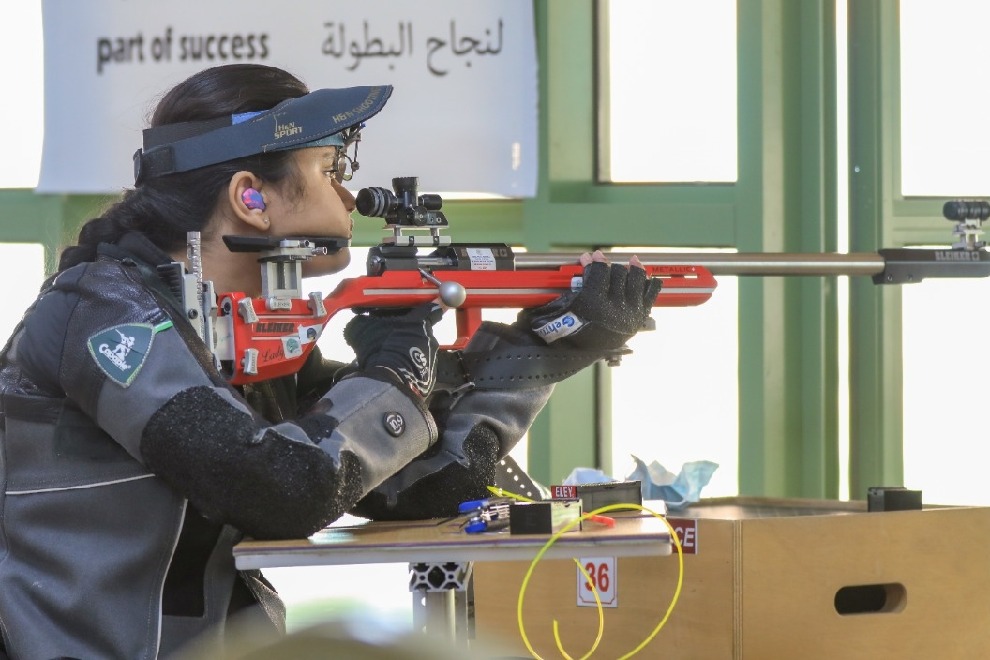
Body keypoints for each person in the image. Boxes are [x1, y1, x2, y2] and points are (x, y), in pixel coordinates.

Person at [0, 63, 660, 658]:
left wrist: (547, 346)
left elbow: (425, 484)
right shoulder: (103, 310)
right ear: (249, 197)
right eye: (331, 170)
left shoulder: (240, 329)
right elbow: (282, 488)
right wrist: (397, 368)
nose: (349, 198)